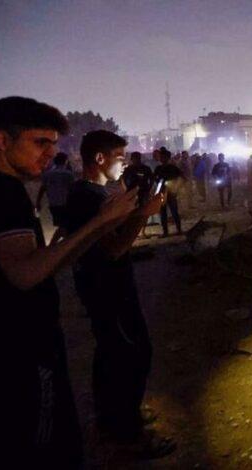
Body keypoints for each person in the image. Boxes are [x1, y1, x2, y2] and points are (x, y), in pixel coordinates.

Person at [0, 96, 139, 468]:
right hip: (20, 348)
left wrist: (99, 226)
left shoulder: (9, 188)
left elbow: (46, 262)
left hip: (29, 341)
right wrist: (101, 222)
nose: (51, 152)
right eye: (40, 142)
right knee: (46, 448)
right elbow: (25, 274)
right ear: (2, 140)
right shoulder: (0, 192)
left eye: (54, 143)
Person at [64, 130, 174, 458]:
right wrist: (144, 214)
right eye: (119, 157)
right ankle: (127, 434)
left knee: (110, 352)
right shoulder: (87, 197)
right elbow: (114, 248)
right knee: (133, 353)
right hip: (107, 289)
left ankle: (113, 418)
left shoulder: (94, 192)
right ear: (100, 158)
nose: (124, 163)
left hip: (106, 286)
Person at [36, 151, 74, 242]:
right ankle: (55, 245)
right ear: (66, 161)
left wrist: (38, 202)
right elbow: (72, 189)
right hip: (66, 204)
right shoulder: (68, 174)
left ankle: (57, 244)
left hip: (53, 204)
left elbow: (43, 188)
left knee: (63, 227)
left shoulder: (48, 174)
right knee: (66, 227)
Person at [121, 151, 154, 237]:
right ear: (132, 159)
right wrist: (127, 191)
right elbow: (123, 180)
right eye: (134, 158)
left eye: (137, 158)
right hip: (132, 193)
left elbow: (151, 179)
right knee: (132, 213)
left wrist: (149, 189)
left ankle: (142, 231)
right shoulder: (129, 169)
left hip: (143, 192)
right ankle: (134, 232)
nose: (136, 160)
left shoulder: (145, 168)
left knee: (143, 212)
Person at [153, 147, 184, 236]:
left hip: (171, 193)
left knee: (174, 212)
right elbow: (154, 179)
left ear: (168, 158)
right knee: (163, 213)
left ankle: (178, 229)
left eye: (164, 157)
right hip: (162, 193)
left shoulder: (173, 168)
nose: (162, 159)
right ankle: (165, 231)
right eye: (161, 157)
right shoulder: (158, 168)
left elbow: (182, 178)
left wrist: (176, 187)